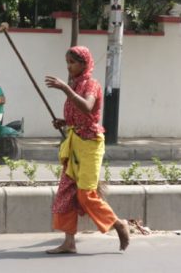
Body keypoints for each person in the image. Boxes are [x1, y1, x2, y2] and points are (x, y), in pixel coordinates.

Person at [44, 46, 130, 254]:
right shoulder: (76, 85)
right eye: (68, 62)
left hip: (90, 144)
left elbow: (88, 107)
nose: (69, 66)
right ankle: (69, 242)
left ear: (84, 64)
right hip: (74, 142)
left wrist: (65, 88)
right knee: (65, 192)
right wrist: (64, 122)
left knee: (85, 195)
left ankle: (118, 224)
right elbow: (78, 115)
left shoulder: (91, 85)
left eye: (73, 62)